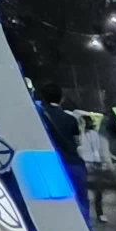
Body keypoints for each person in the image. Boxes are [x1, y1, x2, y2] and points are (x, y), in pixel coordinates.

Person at [38, 83, 88, 222]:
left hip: (49, 165)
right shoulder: (71, 119)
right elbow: (78, 144)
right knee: (80, 201)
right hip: (73, 164)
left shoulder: (39, 118)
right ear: (62, 99)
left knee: (53, 205)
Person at [79, 114, 116, 224]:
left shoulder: (94, 135)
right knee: (84, 191)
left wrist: (104, 163)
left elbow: (99, 150)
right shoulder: (80, 135)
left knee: (98, 192)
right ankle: (87, 214)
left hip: (94, 163)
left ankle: (99, 213)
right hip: (84, 163)